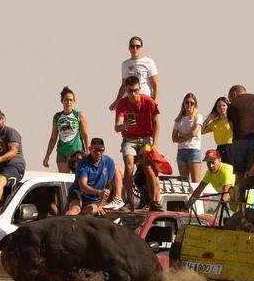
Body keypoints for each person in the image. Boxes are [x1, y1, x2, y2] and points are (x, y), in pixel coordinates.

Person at [114, 76, 161, 208]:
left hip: (146, 138)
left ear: (139, 88)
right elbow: (117, 127)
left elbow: (156, 122)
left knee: (148, 166)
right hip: (129, 139)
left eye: (135, 90)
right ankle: (129, 201)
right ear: (126, 91)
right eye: (130, 91)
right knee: (129, 166)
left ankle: (154, 202)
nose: (133, 94)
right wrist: (125, 125)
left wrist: (154, 144)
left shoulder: (148, 101)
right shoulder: (122, 103)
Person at [187, 149, 254, 219]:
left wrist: (213, 215)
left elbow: (225, 195)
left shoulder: (227, 170)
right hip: (237, 206)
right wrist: (186, 208)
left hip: (251, 201)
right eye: (208, 163)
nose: (211, 166)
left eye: (213, 162)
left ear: (219, 160)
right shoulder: (209, 173)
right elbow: (198, 190)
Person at [66, 138, 120, 216]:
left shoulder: (109, 162)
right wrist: (99, 192)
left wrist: (101, 204)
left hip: (94, 199)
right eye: (96, 150)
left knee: (92, 209)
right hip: (78, 194)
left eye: (101, 150)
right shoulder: (82, 164)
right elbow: (83, 186)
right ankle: (64, 225)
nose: (99, 153)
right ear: (90, 149)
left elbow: (109, 186)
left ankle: (81, 225)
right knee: (75, 209)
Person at [43, 87, 89, 173]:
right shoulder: (57, 117)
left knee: (77, 180)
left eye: (71, 100)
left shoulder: (79, 115)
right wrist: (47, 155)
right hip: (62, 153)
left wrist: (88, 151)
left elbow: (85, 135)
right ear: (62, 101)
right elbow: (53, 138)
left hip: (76, 153)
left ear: (74, 101)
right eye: (66, 100)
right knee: (65, 181)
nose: (68, 102)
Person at [111, 36, 160, 109]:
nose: (135, 48)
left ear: (141, 47)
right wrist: (116, 101)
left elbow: (156, 84)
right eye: (132, 46)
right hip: (129, 99)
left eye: (138, 46)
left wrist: (155, 101)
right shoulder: (125, 64)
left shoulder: (149, 62)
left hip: (144, 98)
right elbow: (124, 85)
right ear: (129, 48)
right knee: (129, 120)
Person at [172, 93, 204, 183]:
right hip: (181, 151)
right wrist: (187, 136)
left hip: (193, 151)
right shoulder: (179, 119)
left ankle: (196, 197)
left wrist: (181, 136)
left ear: (195, 105)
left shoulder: (198, 116)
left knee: (195, 182)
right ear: (184, 104)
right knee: (184, 182)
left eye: (192, 103)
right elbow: (174, 138)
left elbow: (194, 133)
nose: (189, 104)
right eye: (187, 102)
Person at [203, 96, 233, 165]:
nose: (221, 107)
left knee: (231, 170)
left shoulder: (232, 119)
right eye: (219, 106)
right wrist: (208, 119)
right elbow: (201, 131)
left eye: (223, 105)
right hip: (219, 149)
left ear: (228, 106)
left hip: (231, 148)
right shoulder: (215, 122)